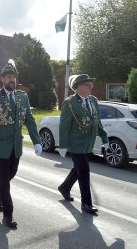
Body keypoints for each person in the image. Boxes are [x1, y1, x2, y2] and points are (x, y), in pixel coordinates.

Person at [0, 60, 42, 229]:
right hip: (1, 146)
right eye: (9, 77)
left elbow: (29, 120)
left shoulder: (23, 97)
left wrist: (37, 141)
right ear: (2, 79)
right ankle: (8, 215)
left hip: (16, 146)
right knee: (4, 179)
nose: (12, 80)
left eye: (14, 77)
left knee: (11, 173)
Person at [57, 74, 109, 214]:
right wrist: (62, 145)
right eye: (87, 85)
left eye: (91, 85)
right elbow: (64, 125)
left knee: (78, 169)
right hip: (76, 143)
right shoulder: (70, 103)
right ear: (79, 87)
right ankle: (86, 203)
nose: (91, 87)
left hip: (88, 143)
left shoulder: (93, 100)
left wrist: (104, 138)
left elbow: (97, 120)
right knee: (84, 172)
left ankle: (65, 187)